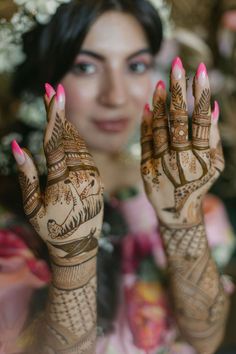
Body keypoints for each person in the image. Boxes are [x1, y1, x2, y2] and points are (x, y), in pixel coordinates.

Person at [0, 0, 234, 353]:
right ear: (41, 75)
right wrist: (72, 263)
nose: (116, 95)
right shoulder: (9, 211)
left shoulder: (177, 185)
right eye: (85, 67)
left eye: (136, 65)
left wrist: (183, 220)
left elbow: (206, 339)